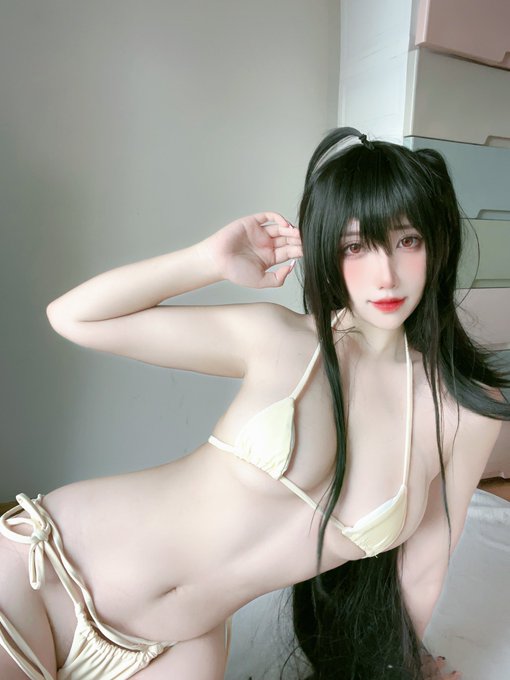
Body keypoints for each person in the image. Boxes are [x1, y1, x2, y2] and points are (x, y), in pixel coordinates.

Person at [0, 127, 508, 680]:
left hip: (178, 646)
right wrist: (209, 259)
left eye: (407, 241)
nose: (385, 274)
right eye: (355, 246)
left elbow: (424, 566)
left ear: (438, 245)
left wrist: (402, 663)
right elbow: (75, 317)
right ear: (326, 252)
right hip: (52, 569)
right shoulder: (280, 338)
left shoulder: (467, 410)